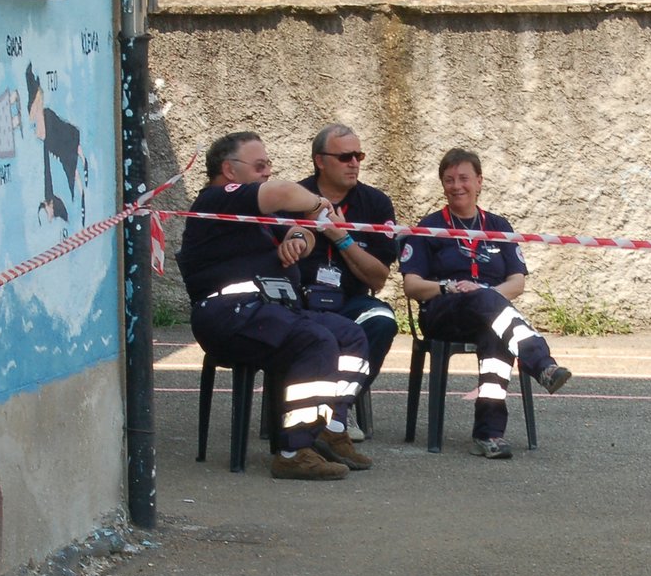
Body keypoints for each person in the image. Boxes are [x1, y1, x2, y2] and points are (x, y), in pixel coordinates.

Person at [177, 132, 374, 481]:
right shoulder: (217, 198)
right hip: (230, 314)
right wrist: (317, 203)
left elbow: (302, 230)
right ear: (230, 170)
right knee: (315, 340)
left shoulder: (252, 209)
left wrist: (297, 238)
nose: (268, 171)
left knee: (352, 335)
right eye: (260, 165)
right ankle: (294, 451)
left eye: (269, 164)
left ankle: (331, 426)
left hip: (273, 310)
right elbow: (285, 192)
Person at [400, 148, 572, 460]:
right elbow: (411, 286)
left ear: (479, 182)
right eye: (449, 180)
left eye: (464, 178)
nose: (456, 186)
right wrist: (447, 286)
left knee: (497, 333)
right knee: (482, 299)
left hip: (489, 314)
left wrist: (486, 294)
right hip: (443, 311)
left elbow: (516, 283)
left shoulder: (498, 225)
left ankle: (489, 434)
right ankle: (542, 364)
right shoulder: (428, 227)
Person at [295, 124, 399, 441]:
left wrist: (340, 237)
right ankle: (301, 411)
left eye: (358, 155)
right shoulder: (293, 198)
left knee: (382, 320)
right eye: (345, 156)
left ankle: (339, 408)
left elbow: (378, 278)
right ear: (320, 161)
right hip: (300, 300)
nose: (354, 162)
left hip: (351, 300)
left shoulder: (376, 204)